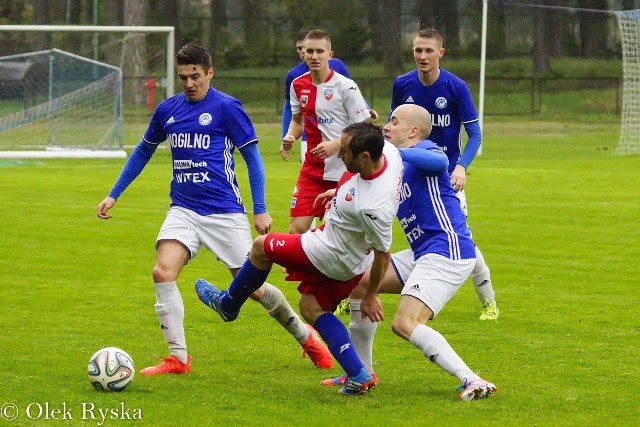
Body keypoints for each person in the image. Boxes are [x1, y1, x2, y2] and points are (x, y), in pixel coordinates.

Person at [96, 44, 332, 376]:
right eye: (183, 77)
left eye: (195, 76)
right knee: (162, 272)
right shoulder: (168, 110)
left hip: (225, 212)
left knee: (254, 289)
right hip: (183, 209)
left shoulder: (226, 108)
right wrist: (113, 194)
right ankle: (177, 359)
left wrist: (260, 209)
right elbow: (142, 152)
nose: (189, 83)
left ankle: (306, 336)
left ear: (210, 73)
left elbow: (252, 159)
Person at [195, 121, 404, 395]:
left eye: (344, 152)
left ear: (364, 157)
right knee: (311, 307)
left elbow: (383, 256)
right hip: (351, 259)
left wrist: (370, 295)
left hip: (329, 253)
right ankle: (358, 374)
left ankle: (229, 305)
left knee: (261, 247)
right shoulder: (388, 151)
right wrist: (338, 194)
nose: (338, 156)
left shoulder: (372, 206)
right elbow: (358, 187)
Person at [322, 104, 497, 401]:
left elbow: (440, 160)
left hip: (447, 250)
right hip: (423, 252)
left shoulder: (425, 150)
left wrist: (390, 151)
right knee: (359, 283)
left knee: (404, 324)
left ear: (413, 131)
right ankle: (361, 372)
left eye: (394, 122)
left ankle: (473, 379)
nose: (387, 128)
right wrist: (339, 196)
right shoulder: (394, 169)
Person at [390, 28, 499, 321]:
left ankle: (488, 303)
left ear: (441, 53)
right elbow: (395, 129)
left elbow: (474, 134)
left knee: (462, 240)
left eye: (428, 50)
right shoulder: (402, 84)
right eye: (417, 50)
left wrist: (461, 167)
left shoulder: (455, 86)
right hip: (411, 172)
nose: (422, 56)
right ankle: (357, 294)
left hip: (447, 179)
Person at [280, 29, 373, 235]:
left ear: (329, 55)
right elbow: (297, 121)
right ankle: (300, 268)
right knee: (296, 231)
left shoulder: (346, 87)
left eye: (319, 51)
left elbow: (365, 128)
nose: (314, 56)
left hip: (344, 171)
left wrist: (335, 144)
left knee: (343, 234)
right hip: (311, 171)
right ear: (303, 54)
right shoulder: (297, 85)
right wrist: (290, 136)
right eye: (309, 51)